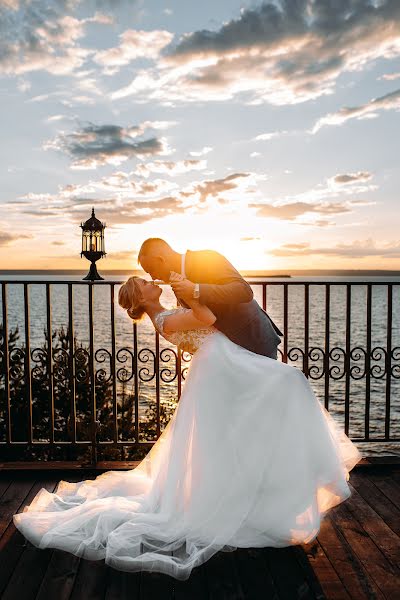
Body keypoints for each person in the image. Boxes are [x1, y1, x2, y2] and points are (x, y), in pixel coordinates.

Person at [13, 270, 362, 581]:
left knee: (273, 399)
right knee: (289, 382)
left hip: (223, 361)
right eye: (146, 283)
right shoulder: (164, 319)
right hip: (221, 365)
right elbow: (207, 316)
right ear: (141, 297)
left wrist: (189, 289)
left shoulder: (165, 314)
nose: (153, 282)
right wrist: (192, 290)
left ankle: (271, 483)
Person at [138, 238, 283, 359]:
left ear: (161, 260)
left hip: (254, 338)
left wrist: (196, 289)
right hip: (229, 352)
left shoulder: (207, 259)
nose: (153, 277)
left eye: (151, 270)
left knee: (269, 390)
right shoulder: (176, 283)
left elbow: (244, 291)